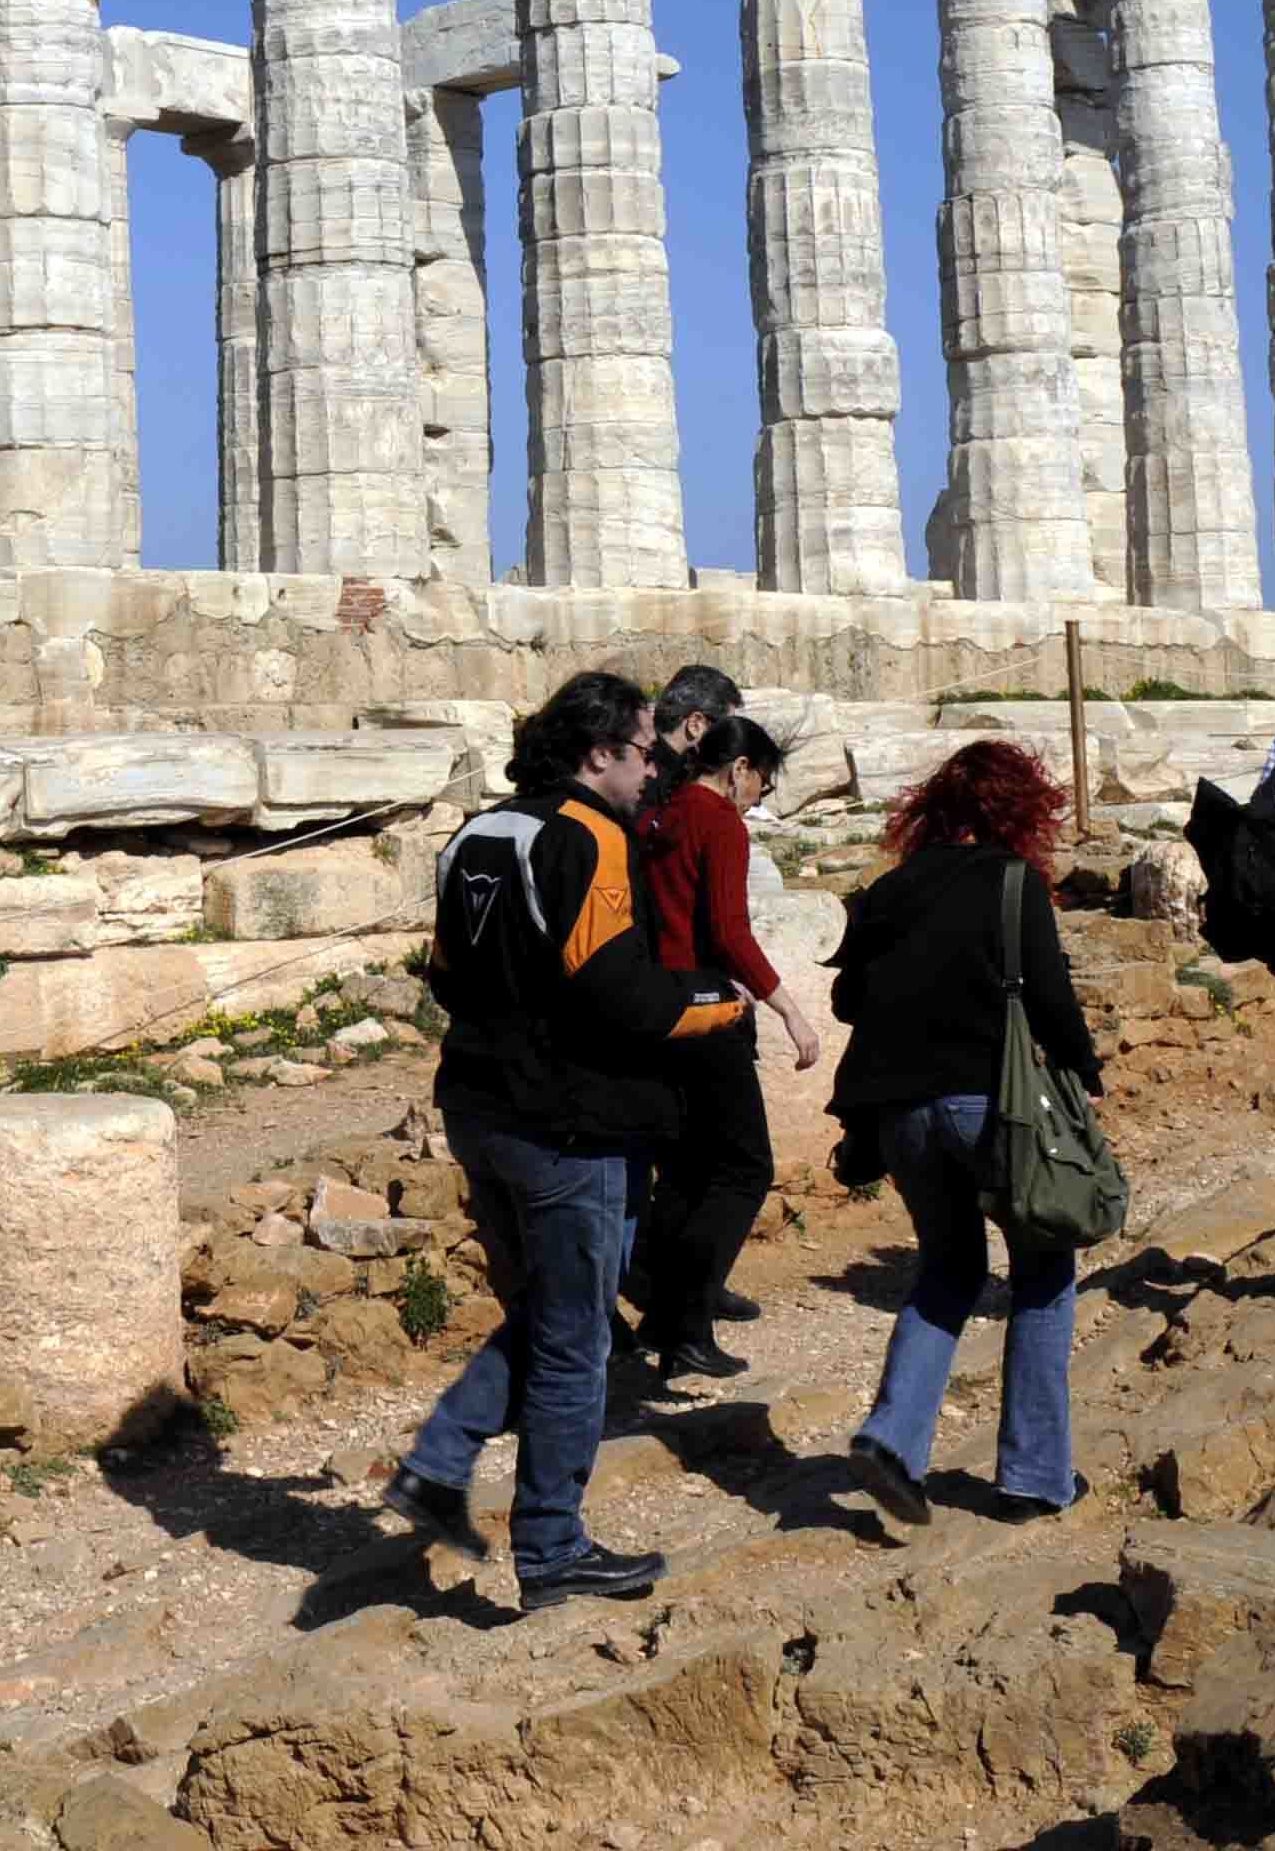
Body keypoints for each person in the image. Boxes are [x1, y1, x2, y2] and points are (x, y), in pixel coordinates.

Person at [387, 670, 748, 1608]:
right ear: (600, 754)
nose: (654, 767)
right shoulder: (593, 837)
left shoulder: (478, 829)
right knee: (576, 1338)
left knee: (555, 1310)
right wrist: (713, 1004)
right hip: (570, 1120)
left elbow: (446, 976)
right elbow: (616, 993)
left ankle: (439, 1459)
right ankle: (550, 1549)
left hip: (480, 1104)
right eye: (644, 750)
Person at [827, 739, 1102, 1534]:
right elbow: (1051, 1000)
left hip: (901, 1115)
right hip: (995, 1107)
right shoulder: (1013, 886)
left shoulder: (888, 891)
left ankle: (891, 1441)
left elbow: (849, 1001)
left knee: (947, 1269)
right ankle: (1033, 1477)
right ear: (1019, 810)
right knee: (1045, 1269)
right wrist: (1086, 1071)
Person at [621, 711, 825, 1386]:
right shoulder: (718, 822)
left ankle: (665, 1313)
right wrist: (791, 1010)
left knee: (684, 1172)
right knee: (743, 1168)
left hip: (655, 1007)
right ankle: (688, 1325)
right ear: (738, 770)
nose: (756, 798)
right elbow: (729, 933)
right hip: (708, 1010)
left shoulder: (661, 814)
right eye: (761, 784)